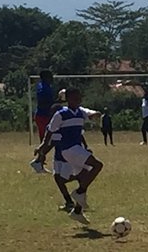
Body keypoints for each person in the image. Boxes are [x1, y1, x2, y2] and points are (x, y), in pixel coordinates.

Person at [35, 88, 104, 224]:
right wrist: (43, 146)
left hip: (76, 148)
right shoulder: (61, 114)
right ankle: (79, 192)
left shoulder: (80, 111)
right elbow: (50, 130)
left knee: (84, 176)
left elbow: (92, 114)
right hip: (69, 149)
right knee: (97, 165)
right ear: (68, 99)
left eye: (79, 97)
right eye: (74, 97)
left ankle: (77, 211)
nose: (78, 99)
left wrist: (96, 114)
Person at [30, 70, 55, 173]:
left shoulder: (43, 86)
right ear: (46, 77)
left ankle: (39, 162)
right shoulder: (44, 88)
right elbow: (45, 103)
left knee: (50, 140)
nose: (52, 78)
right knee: (48, 140)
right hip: (44, 116)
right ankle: (38, 162)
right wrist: (58, 102)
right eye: (51, 76)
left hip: (43, 116)